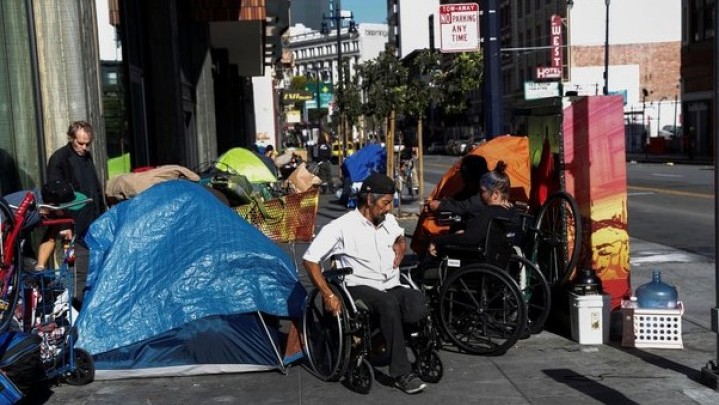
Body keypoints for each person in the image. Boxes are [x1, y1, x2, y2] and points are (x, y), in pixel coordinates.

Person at [302, 173, 429, 395]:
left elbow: (399, 236)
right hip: (358, 287)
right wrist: (328, 294)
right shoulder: (340, 227)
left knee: (417, 301)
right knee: (387, 304)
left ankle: (396, 341)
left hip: (390, 283)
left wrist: (400, 243)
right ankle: (401, 373)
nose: (389, 209)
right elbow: (310, 259)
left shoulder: (387, 220)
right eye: (386, 203)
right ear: (369, 199)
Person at [46, 120, 106, 307]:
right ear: (71, 138)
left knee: (92, 267)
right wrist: (64, 224)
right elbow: (55, 195)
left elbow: (93, 188)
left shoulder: (86, 156)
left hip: (92, 219)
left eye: (87, 143)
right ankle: (76, 307)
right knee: (77, 271)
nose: (84, 147)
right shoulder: (60, 159)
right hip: (74, 223)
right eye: (80, 143)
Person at [426, 161, 517, 259]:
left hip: (480, 262)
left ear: (495, 194)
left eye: (482, 191)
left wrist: (438, 240)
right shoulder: (513, 212)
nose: (480, 195)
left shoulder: (489, 213)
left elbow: (469, 239)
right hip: (501, 261)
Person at [425, 154, 489, 221]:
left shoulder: (482, 194)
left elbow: (466, 205)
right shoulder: (476, 187)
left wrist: (439, 205)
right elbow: (459, 198)